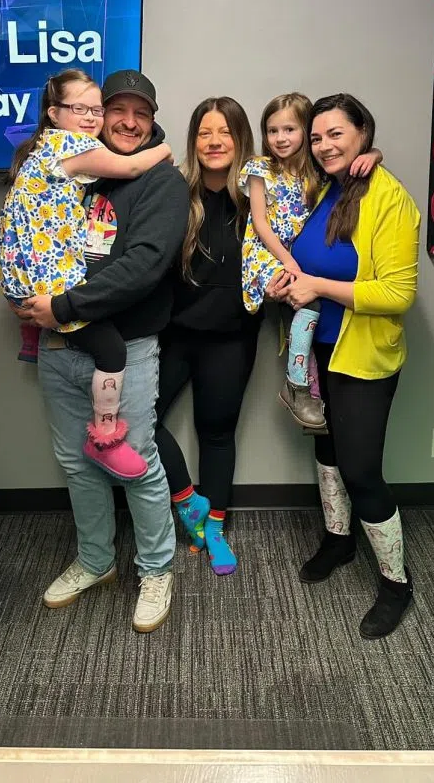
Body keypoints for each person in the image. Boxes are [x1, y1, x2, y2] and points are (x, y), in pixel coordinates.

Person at [17, 70, 189, 633]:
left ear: (153, 119)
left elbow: (144, 266)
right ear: (96, 114)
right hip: (59, 346)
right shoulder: (73, 165)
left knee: (136, 460)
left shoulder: (161, 182)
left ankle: (156, 570)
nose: (129, 122)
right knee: (76, 462)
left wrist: (63, 306)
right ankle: (96, 561)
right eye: (119, 110)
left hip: (126, 348)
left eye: (142, 113)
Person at [268, 93, 420, 639]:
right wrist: (289, 283)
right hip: (320, 349)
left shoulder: (389, 197)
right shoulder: (327, 188)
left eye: (336, 134)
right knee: (327, 448)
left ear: (363, 134)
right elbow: (308, 261)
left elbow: (398, 293)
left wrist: (316, 285)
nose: (324, 145)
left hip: (364, 355)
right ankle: (339, 540)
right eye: (316, 137)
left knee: (360, 470)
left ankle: (397, 584)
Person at [0, 69, 172, 482]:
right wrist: (164, 149)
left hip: (21, 272)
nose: (90, 117)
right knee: (111, 352)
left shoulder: (41, 148)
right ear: (54, 113)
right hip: (49, 278)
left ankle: (34, 335)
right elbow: (131, 166)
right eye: (80, 109)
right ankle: (105, 437)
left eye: (95, 110)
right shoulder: (74, 146)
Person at [155, 97, 258, 577]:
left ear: (241, 139)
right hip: (173, 335)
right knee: (137, 421)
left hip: (231, 339)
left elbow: (313, 172)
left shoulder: (260, 195)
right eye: (204, 132)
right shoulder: (175, 191)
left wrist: (372, 154)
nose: (214, 142)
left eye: (225, 132)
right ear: (193, 140)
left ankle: (214, 529)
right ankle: (187, 502)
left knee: (216, 433)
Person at [239, 93, 381, 431]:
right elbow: (260, 223)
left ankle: (307, 387)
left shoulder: (317, 173)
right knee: (310, 304)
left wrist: (374, 154)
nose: (280, 138)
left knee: (305, 315)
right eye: (272, 130)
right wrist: (288, 262)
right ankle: (297, 386)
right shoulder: (260, 168)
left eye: (289, 129)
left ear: (306, 131)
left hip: (296, 260)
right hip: (265, 253)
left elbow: (359, 158)